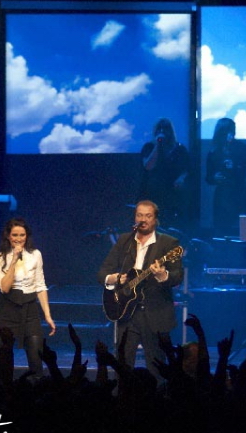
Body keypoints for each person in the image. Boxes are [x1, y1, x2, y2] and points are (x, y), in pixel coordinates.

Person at [97, 200, 183, 382]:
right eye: (139, 215)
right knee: (122, 367)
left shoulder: (168, 243)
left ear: (155, 219)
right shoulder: (124, 241)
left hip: (155, 313)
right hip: (126, 313)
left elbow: (177, 276)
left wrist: (162, 275)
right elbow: (103, 272)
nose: (143, 219)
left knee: (156, 368)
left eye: (148, 216)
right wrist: (114, 278)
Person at [0, 217, 56, 380]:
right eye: (15, 235)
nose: (19, 239)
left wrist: (47, 315)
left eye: (22, 235)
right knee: (2, 360)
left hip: (29, 309)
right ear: (8, 236)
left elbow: (40, 285)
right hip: (7, 309)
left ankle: (36, 390)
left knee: (36, 357)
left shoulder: (35, 254)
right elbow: (5, 287)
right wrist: (14, 259)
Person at [138, 118, 193, 232]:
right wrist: (157, 145)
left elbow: (187, 169)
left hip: (173, 195)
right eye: (159, 129)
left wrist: (181, 178)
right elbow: (148, 166)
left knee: (172, 227)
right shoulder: (149, 147)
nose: (162, 132)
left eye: (165, 129)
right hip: (154, 194)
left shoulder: (180, 149)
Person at [205, 117, 246, 236]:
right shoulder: (214, 151)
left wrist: (236, 167)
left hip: (241, 194)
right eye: (228, 131)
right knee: (222, 231)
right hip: (223, 196)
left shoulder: (242, 148)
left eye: (233, 130)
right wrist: (214, 177)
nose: (231, 134)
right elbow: (208, 177)